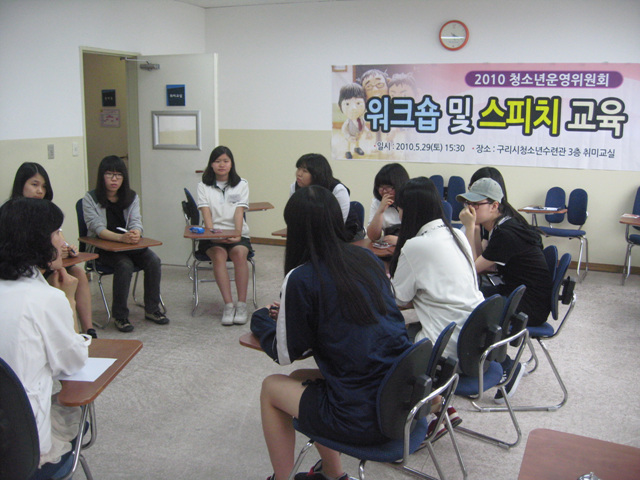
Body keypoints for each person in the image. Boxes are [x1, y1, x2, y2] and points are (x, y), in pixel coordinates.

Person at [251, 185, 411, 480]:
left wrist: (261, 320)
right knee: (299, 378)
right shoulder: (367, 259)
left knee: (271, 387)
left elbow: (285, 353)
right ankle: (334, 475)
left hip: (363, 416)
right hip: (396, 396)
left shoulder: (301, 277)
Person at [0, 197, 90, 479]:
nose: (63, 241)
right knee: (78, 415)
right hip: (19, 449)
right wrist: (69, 301)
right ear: (37, 240)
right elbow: (73, 363)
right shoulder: (46, 299)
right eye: (57, 232)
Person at [389, 177, 482, 438]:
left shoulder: (416, 245)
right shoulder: (457, 234)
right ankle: (442, 406)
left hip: (448, 346)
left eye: (400, 208)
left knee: (388, 338)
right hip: (475, 338)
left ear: (409, 211)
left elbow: (398, 299)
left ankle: (425, 410)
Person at [458, 177, 552, 402]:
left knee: (472, 312)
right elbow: (481, 259)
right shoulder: (502, 225)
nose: (469, 209)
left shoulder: (506, 233)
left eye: (476, 204)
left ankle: (508, 366)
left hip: (528, 306)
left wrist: (470, 227)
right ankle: (482, 366)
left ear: (494, 206)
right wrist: (475, 228)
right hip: (519, 294)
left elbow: (473, 268)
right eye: (467, 203)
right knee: (468, 300)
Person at [82, 155, 169, 332]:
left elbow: (136, 221)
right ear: (101, 176)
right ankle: (120, 316)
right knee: (124, 264)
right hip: (103, 248)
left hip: (129, 245)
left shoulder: (131, 196)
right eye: (109, 174)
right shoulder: (90, 198)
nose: (114, 179)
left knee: (153, 261)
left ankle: (152, 309)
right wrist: (120, 238)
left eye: (119, 175)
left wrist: (136, 232)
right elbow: (97, 228)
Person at [10, 162, 97, 338]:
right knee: (63, 277)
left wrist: (68, 249)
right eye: (34, 184)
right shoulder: (13, 214)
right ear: (21, 185)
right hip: (29, 269)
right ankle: (69, 333)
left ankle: (89, 330)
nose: (40, 191)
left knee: (78, 274)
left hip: (49, 264)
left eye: (44, 186)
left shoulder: (47, 211)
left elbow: (60, 242)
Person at [196, 145, 251, 325]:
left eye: (226, 161)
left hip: (237, 233)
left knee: (239, 254)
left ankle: (241, 304)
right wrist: (212, 235)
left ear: (231, 164)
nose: (222, 165)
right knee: (219, 255)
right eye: (217, 161)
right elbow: (206, 213)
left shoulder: (242, 184)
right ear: (211, 164)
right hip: (212, 235)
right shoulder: (203, 186)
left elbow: (239, 212)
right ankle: (228, 305)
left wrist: (237, 234)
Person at [290, 153, 362, 241]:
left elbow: (338, 224)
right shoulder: (295, 187)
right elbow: (293, 215)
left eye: (305, 171)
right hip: (312, 232)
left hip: (343, 232)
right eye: (298, 169)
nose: (299, 174)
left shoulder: (337, 189)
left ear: (317, 174)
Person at [366, 163, 409, 244]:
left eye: (388, 187)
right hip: (389, 246)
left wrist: (400, 241)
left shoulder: (412, 200)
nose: (384, 191)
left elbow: (421, 236)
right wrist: (380, 211)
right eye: (380, 186)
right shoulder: (377, 202)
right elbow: (373, 237)